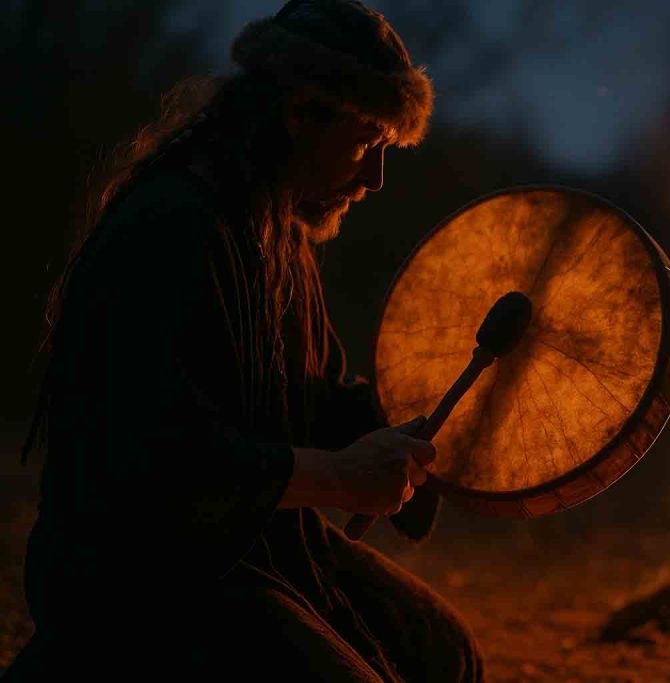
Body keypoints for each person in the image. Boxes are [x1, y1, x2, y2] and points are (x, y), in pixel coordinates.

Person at [5, 1, 484, 680]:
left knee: (446, 652)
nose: (375, 179)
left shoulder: (280, 232)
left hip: (266, 548)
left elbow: (309, 399)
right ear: (300, 113)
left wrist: (419, 435)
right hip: (147, 579)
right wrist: (343, 475)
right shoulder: (172, 229)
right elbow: (162, 463)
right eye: (367, 143)